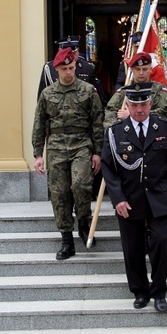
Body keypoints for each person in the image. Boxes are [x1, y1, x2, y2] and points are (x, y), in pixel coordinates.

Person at [101, 82, 167, 313]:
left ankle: (159, 292)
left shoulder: (163, 127)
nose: (139, 109)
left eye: (143, 104)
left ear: (150, 103)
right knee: (132, 248)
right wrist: (118, 199)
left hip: (158, 197)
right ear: (128, 105)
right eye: (134, 105)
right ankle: (140, 291)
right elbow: (109, 167)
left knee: (161, 242)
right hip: (129, 199)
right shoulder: (115, 132)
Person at [32, 47, 104, 260]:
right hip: (56, 148)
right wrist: (38, 154)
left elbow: (97, 123)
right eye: (64, 69)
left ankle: (83, 221)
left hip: (81, 145)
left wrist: (97, 152)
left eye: (71, 67)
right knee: (59, 193)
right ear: (57, 70)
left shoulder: (88, 91)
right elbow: (39, 124)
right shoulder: (47, 94)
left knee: (81, 185)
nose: (69, 72)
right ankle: (67, 240)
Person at [103, 51, 167, 128]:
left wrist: (133, 115)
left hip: (153, 131)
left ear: (150, 69)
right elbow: (110, 111)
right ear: (132, 70)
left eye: (145, 69)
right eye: (138, 69)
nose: (141, 73)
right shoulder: (124, 90)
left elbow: (166, 112)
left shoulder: (159, 89)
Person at [37, 35, 107, 106]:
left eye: (73, 50)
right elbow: (41, 100)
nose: (69, 52)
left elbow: (99, 98)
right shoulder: (49, 68)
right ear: (59, 50)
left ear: (78, 50)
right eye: (65, 49)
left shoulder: (87, 67)